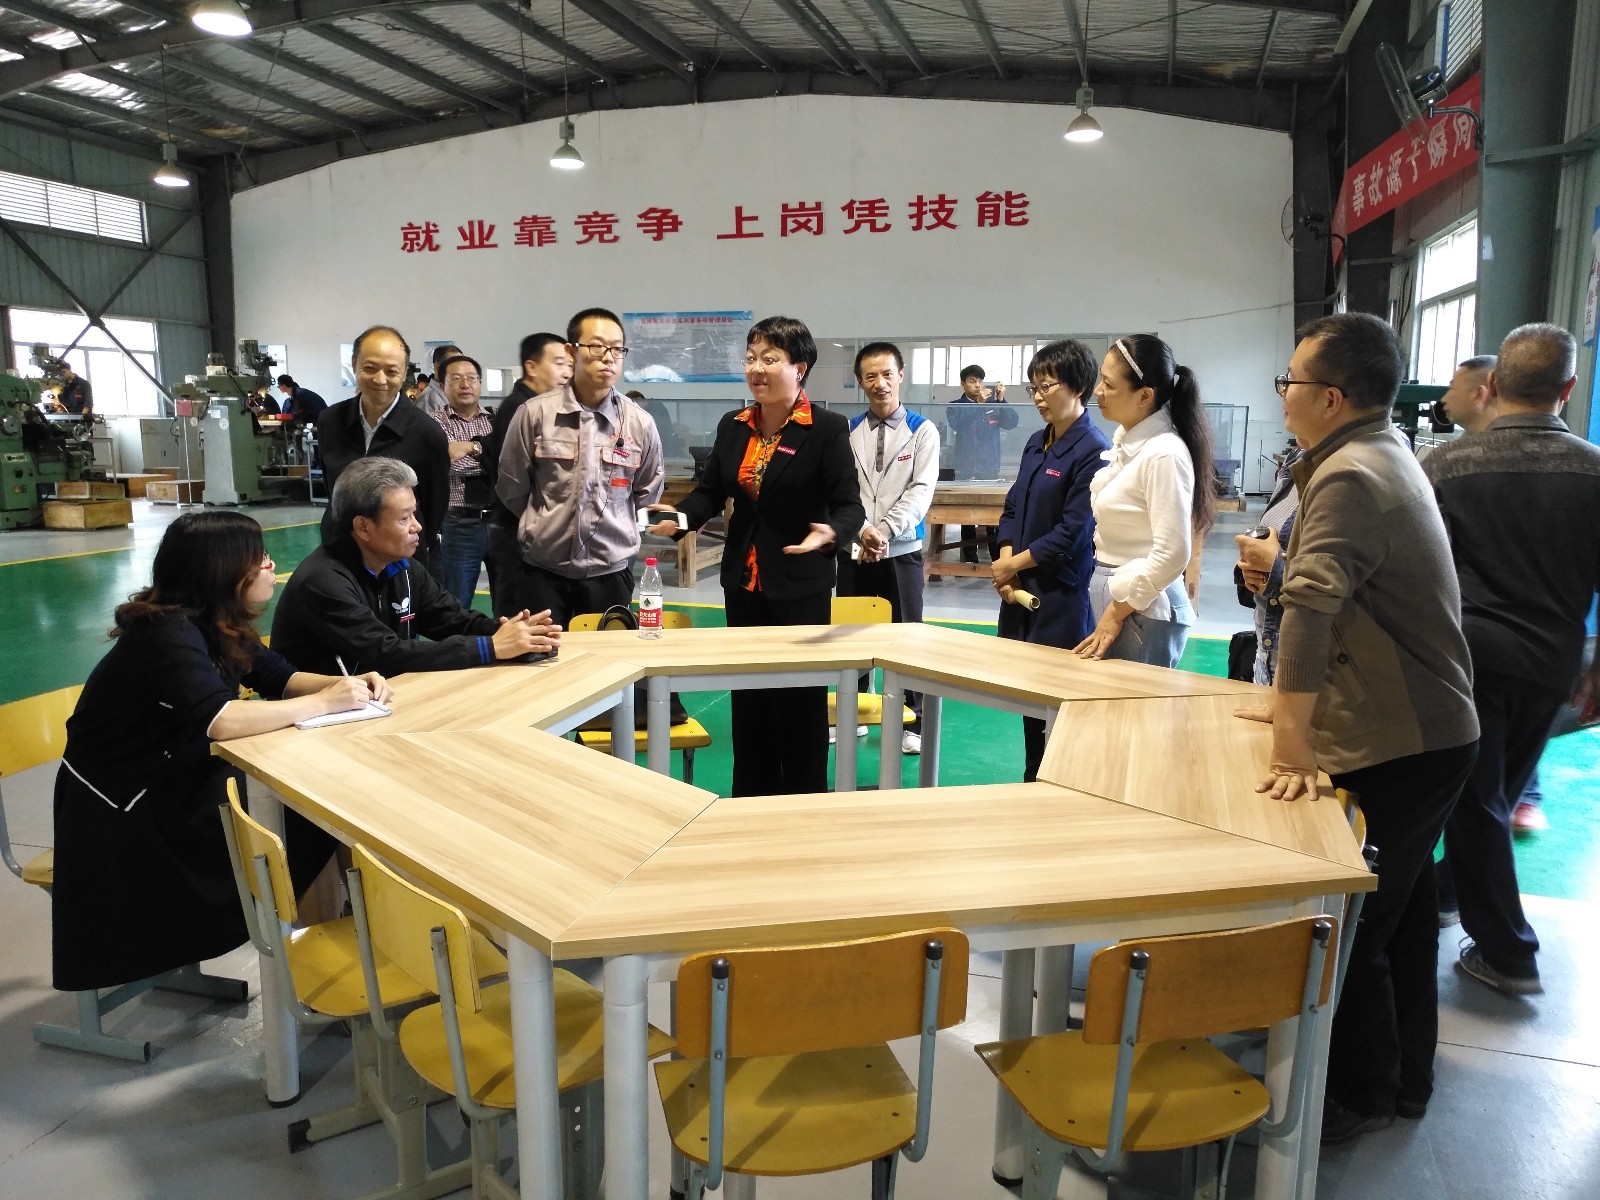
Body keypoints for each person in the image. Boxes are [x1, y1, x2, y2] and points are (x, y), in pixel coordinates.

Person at [1237, 312, 1478, 1143]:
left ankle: (1361, 1095)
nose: (1284, 394)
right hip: (1427, 728)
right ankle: (1406, 1083)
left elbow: (1311, 609)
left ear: (1331, 397)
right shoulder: (1377, 451)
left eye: (1291, 381)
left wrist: (1290, 738)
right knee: (1402, 915)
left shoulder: (1348, 473)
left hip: (1404, 739)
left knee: (1356, 925)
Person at [50, 511, 391, 992]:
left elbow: (278, 676)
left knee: (319, 804)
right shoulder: (166, 633)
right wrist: (324, 702)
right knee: (308, 814)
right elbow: (221, 719)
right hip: (127, 811)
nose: (271, 566)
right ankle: (318, 968)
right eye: (260, 558)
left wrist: (348, 685)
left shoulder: (213, 620)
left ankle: (341, 938)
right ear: (225, 571)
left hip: (174, 776)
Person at [1424, 323, 1600, 999]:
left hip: (1465, 659)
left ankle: (1508, 953)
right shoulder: (1594, 470)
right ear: (1568, 387)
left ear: (1493, 385)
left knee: (1478, 802)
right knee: (1490, 798)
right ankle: (1446, 894)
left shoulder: (1444, 467)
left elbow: (1422, 572)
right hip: (1552, 664)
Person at [650, 316, 863, 797]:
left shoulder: (826, 429)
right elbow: (710, 492)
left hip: (799, 584)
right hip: (744, 584)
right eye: (750, 358)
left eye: (770, 359)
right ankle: (751, 800)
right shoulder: (735, 425)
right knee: (750, 699)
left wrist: (832, 532)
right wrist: (681, 519)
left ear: (799, 367)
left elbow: (850, 505)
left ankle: (804, 801)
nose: (756, 369)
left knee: (801, 703)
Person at [272, 457, 559, 675]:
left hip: (378, 702)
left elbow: (454, 621)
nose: (417, 526)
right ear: (362, 527)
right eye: (404, 518)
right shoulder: (324, 582)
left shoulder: (404, 568)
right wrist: (491, 647)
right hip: (319, 720)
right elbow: (387, 653)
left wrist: (509, 631)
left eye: (414, 514)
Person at [496, 308, 664, 626]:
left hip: (609, 573)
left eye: (617, 349)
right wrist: (547, 525)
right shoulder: (534, 415)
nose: (608, 357)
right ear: (571, 352)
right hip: (542, 573)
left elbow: (647, 493)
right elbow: (512, 487)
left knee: (607, 655)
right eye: (597, 346)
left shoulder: (639, 423)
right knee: (543, 652)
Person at [992, 340, 1110, 781]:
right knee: (1030, 701)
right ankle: (1032, 779)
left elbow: (1073, 532)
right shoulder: (1036, 442)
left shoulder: (1093, 450)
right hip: (1021, 592)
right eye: (1034, 388)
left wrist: (1013, 566)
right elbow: (1012, 508)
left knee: (1058, 705)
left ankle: (1058, 785)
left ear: (1077, 387)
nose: (1039, 397)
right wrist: (1006, 561)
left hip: (1059, 597)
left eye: (1047, 386)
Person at [1075, 335, 1215, 667]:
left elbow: (1173, 553)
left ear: (1144, 396)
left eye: (1109, 384)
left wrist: (1116, 612)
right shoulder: (1131, 444)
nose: (1098, 391)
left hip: (1140, 608)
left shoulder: (1163, 454)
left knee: (1131, 700)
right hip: (1125, 600)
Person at [837, 342, 940, 755]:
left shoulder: (923, 430)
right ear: (860, 382)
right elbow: (841, 491)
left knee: (906, 636)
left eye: (886, 374)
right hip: (856, 550)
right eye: (870, 376)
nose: (879, 383)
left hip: (901, 551)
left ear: (901, 375)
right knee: (851, 634)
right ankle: (853, 713)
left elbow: (921, 491)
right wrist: (863, 530)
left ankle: (911, 721)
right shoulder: (846, 431)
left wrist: (883, 531)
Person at [316, 326, 451, 576]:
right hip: (340, 558)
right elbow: (332, 487)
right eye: (370, 368)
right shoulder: (330, 421)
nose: (380, 380)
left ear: (404, 373)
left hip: (400, 564)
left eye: (391, 371)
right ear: (354, 364)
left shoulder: (426, 433)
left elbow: (434, 509)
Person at [486, 332, 574, 617]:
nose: (566, 372)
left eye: (569, 365)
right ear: (531, 367)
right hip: (516, 532)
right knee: (518, 616)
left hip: (534, 534)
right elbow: (514, 484)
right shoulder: (521, 409)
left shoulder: (549, 406)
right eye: (558, 363)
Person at [1233, 446, 1304, 685]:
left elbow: (1338, 585)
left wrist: (1276, 566)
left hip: (1307, 667)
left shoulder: (1352, 473)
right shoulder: (1299, 457)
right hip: (1271, 651)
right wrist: (1254, 567)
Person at [432, 354, 497, 608]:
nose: (465, 384)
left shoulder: (495, 418)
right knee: (457, 601)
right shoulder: (435, 422)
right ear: (443, 385)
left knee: (509, 600)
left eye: (471, 378)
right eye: (456, 378)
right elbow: (448, 464)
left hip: (500, 521)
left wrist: (469, 448)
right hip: (461, 524)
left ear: (480, 383)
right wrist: (488, 454)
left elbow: (507, 462)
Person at [948, 364, 1017, 562]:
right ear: (962, 384)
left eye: (980, 381)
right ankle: (969, 559)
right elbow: (958, 425)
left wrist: (1001, 401)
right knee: (966, 518)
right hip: (965, 468)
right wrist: (977, 404)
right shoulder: (955, 405)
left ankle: (997, 560)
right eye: (972, 381)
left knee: (993, 518)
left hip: (989, 468)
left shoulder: (993, 405)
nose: (977, 385)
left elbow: (1012, 422)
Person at [628, 389, 685, 458]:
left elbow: (658, 433)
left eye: (633, 405)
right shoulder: (652, 408)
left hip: (663, 449)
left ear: (640, 400)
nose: (633, 409)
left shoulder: (655, 408)